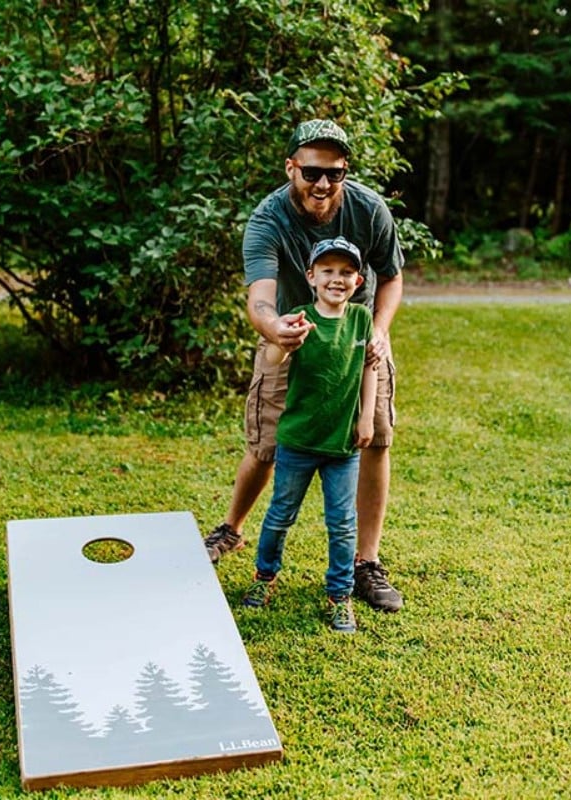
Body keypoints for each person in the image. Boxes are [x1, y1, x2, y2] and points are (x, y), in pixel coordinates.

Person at [204, 118, 405, 613]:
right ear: (291, 166)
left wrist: (378, 330)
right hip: (292, 338)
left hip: (359, 341)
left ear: (344, 172)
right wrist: (275, 331)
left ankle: (366, 564)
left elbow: (393, 277)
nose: (322, 184)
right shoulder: (268, 218)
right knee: (267, 441)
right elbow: (260, 299)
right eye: (311, 171)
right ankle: (230, 531)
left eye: (333, 173)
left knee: (374, 437)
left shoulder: (368, 209)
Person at [241, 237, 377, 633]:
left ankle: (339, 595)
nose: (338, 279)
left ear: (358, 279)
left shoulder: (360, 320)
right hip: (298, 441)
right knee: (281, 514)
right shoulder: (299, 317)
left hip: (342, 445)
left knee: (343, 523)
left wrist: (366, 417)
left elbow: (369, 368)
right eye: (329, 271)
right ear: (311, 276)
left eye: (347, 272)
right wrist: (281, 340)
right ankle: (264, 577)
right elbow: (274, 358)